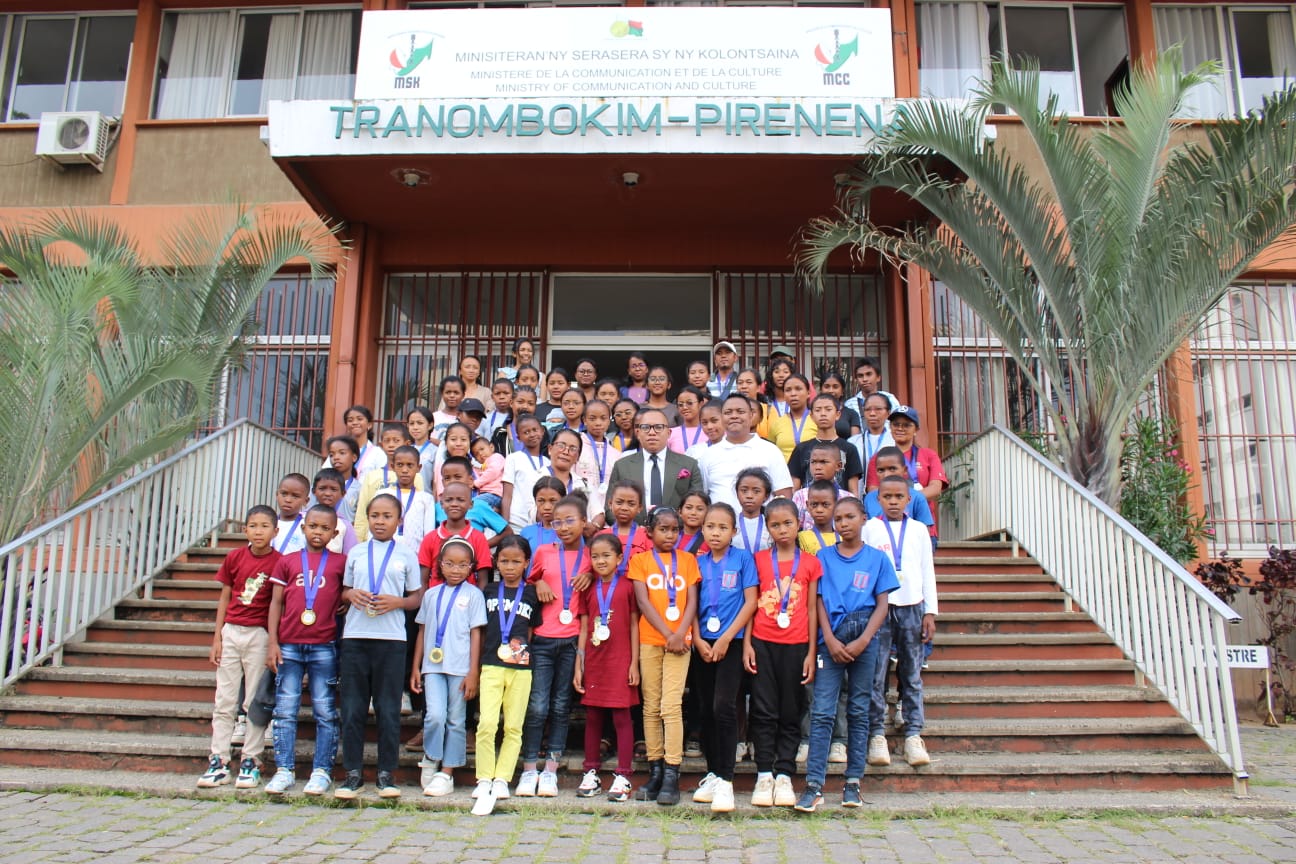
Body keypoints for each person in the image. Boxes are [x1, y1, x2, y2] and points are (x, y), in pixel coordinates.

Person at [797, 497, 899, 813]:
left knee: (858, 709)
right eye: (838, 518)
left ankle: (853, 781)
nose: (843, 523)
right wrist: (828, 638)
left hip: (865, 639)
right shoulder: (822, 558)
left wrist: (864, 640)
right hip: (831, 640)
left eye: (849, 517)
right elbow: (817, 602)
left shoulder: (877, 559)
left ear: (863, 519)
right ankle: (814, 785)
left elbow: (882, 604)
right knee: (824, 710)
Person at [336, 494, 424, 800]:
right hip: (356, 639)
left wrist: (397, 602)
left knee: (388, 710)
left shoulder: (406, 554)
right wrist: (351, 596)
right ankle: (353, 774)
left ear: (399, 521)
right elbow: (345, 590)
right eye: (375, 515)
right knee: (352, 709)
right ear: (367, 518)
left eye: (387, 516)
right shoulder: (357, 552)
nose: (380, 521)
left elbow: (416, 597)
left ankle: (387, 774)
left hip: (392, 641)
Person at [264, 504, 346, 796]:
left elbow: (346, 594)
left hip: (324, 646)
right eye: (313, 526)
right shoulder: (286, 562)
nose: (318, 532)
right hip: (288, 645)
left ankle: (322, 771)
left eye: (325, 528)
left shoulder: (340, 562)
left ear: (334, 533)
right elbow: (275, 603)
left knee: (325, 711)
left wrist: (346, 599)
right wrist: (272, 642)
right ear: (303, 527)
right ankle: (284, 770)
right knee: (285, 709)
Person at [744, 498, 821, 808]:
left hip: (797, 645)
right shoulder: (758, 560)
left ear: (798, 522)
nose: (782, 529)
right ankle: (764, 773)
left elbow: (813, 609)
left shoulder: (811, 562)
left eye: (787, 523)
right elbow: (749, 605)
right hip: (762, 642)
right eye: (775, 525)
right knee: (763, 710)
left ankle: (785, 773)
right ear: (768, 528)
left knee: (791, 710)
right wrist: (747, 644)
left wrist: (811, 652)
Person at [197, 505, 279, 790]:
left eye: (264, 526)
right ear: (245, 530)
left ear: (275, 531)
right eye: (253, 526)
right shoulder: (234, 557)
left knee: (254, 701)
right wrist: (217, 637)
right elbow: (225, 596)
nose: (258, 531)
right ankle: (218, 761)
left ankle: (251, 760)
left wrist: (272, 642)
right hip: (232, 630)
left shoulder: (279, 563)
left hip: (259, 634)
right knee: (225, 701)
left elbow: (277, 606)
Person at [517, 495, 593, 797]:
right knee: (537, 705)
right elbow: (528, 581)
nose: (562, 527)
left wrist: (590, 573)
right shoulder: (544, 552)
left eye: (570, 520)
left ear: (584, 522)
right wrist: (538, 584)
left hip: (573, 638)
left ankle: (551, 766)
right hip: (543, 639)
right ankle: (529, 767)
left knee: (562, 705)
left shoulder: (591, 556)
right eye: (557, 522)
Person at [628, 506, 700, 806]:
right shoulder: (640, 561)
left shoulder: (688, 560)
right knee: (650, 706)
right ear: (649, 532)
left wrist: (679, 633)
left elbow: (692, 601)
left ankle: (672, 771)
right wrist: (666, 633)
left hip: (679, 644)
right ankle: (655, 769)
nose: (670, 534)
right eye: (663, 529)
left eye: (675, 529)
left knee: (671, 706)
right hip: (650, 640)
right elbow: (643, 602)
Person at [864, 475, 937, 769]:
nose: (893, 502)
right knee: (876, 673)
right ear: (878, 500)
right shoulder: (870, 528)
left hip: (912, 606)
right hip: (880, 608)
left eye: (899, 497)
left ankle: (913, 734)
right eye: (887, 497)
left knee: (911, 671)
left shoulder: (919, 530)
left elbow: (926, 571)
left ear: (910, 500)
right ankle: (877, 733)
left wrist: (930, 612)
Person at [689, 503, 758, 813]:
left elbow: (751, 601)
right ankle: (713, 773)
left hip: (731, 640)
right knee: (704, 708)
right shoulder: (697, 562)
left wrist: (727, 638)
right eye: (710, 527)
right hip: (702, 642)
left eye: (722, 527)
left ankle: (727, 781)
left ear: (734, 531)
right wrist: (699, 638)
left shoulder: (743, 559)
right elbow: (690, 604)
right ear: (702, 530)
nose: (715, 533)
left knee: (724, 706)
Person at [472, 535, 543, 816]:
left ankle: (502, 778)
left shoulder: (532, 593)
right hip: (490, 664)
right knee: (487, 723)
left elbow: (530, 631)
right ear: (495, 562)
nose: (510, 566)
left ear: (527, 563)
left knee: (514, 726)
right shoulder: (487, 591)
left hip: (521, 668)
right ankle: (484, 777)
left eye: (516, 562)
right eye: (504, 561)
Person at [412, 537, 487, 798]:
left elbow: (476, 634)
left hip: (459, 668)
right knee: (434, 715)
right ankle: (431, 756)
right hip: (432, 666)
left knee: (456, 720)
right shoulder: (431, 595)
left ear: (471, 567)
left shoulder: (474, 595)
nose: (456, 569)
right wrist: (415, 667)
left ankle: (448, 772)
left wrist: (472, 671)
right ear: (439, 565)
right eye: (450, 564)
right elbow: (422, 631)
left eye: (462, 565)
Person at [574, 533, 641, 803]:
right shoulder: (588, 588)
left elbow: (635, 625)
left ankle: (623, 775)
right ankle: (591, 771)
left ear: (619, 558)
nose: (600, 560)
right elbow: (583, 626)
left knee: (622, 717)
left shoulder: (627, 587)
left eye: (606, 555)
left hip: (620, 660)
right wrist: (579, 664)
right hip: (594, 659)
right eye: (595, 556)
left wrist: (634, 663)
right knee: (593, 717)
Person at [864, 406, 949, 543]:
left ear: (916, 429)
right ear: (890, 428)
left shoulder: (928, 455)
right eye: (896, 424)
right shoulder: (879, 457)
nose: (900, 428)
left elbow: (936, 488)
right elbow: (873, 489)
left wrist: (908, 499)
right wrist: (898, 500)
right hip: (886, 526)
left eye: (907, 425)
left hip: (922, 523)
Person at [698, 394, 793, 510]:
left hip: (762, 526)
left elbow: (784, 495)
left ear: (751, 415)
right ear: (722, 417)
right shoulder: (708, 455)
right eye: (728, 412)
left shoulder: (770, 450)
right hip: (720, 525)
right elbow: (702, 496)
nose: (734, 416)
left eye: (740, 411)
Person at [604, 408, 704, 518]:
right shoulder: (622, 466)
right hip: (633, 532)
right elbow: (610, 508)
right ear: (638, 433)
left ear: (669, 433)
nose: (652, 432)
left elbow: (697, 506)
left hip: (675, 532)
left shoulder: (689, 465)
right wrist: (629, 530)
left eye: (658, 427)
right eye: (646, 428)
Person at [354, 424, 424, 541]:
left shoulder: (416, 476)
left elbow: (418, 509)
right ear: (381, 445)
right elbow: (362, 512)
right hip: (374, 537)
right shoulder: (372, 476)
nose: (391, 445)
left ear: (407, 444)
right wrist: (359, 540)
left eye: (396, 441)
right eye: (387, 441)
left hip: (407, 538)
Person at [418, 481, 494, 587]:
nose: (454, 504)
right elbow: (423, 580)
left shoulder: (478, 538)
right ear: (441, 504)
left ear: (470, 504)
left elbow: (483, 579)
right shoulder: (430, 538)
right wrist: (424, 603)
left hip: (468, 600)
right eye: (449, 500)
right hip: (436, 601)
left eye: (461, 500)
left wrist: (477, 601)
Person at [787, 396, 864, 495]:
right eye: (818, 410)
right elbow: (795, 488)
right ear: (811, 416)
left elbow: (853, 490)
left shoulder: (849, 449)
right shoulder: (801, 449)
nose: (823, 414)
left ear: (837, 414)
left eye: (828, 409)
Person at [863, 447, 936, 530]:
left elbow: (924, 534)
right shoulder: (869, 498)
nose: (886, 474)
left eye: (892, 469)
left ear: (905, 470)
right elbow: (866, 531)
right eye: (881, 470)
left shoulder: (918, 498)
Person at [500, 415, 551, 531]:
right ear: (518, 437)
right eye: (526, 432)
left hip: (538, 523)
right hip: (515, 521)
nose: (532, 434)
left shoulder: (548, 462)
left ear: (542, 431)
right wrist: (504, 524)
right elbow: (507, 495)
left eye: (535, 430)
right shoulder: (513, 458)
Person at [790, 442, 855, 528]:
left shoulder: (847, 498)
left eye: (823, 462)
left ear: (838, 466)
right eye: (813, 462)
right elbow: (795, 527)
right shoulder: (800, 496)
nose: (817, 467)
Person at [575, 398, 622, 514]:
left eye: (603, 418)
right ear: (584, 420)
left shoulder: (616, 455)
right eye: (592, 418)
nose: (598, 423)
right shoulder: (576, 448)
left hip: (608, 516)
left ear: (609, 420)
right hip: (581, 512)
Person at [390, 445, 437, 553]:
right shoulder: (383, 495)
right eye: (400, 465)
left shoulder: (426, 498)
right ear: (393, 467)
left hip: (416, 556)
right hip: (387, 553)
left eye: (410, 465)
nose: (405, 470)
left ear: (418, 468)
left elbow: (428, 534)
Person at [599, 479, 654, 560]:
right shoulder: (600, 536)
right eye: (619, 502)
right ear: (610, 504)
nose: (624, 508)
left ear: (639, 508)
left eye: (631, 504)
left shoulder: (647, 536)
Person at [327, 405, 388, 475]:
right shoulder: (337, 450)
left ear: (369, 425)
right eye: (350, 420)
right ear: (347, 426)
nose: (355, 423)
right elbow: (326, 474)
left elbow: (383, 478)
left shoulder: (377, 453)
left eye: (359, 419)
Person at [767, 373, 816, 460]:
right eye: (788, 390)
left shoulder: (818, 420)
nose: (793, 394)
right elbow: (770, 453)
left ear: (808, 393)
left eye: (798, 389)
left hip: (812, 472)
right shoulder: (777, 423)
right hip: (784, 472)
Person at [491, 386, 547, 459]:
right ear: (511, 403)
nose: (525, 406)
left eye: (530, 404)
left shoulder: (542, 431)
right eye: (520, 402)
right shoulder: (500, 433)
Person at [311, 469, 358, 554]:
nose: (328, 493)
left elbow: (349, 556)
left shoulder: (345, 526)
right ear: (314, 491)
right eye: (322, 488)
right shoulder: (302, 518)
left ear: (343, 493)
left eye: (333, 489)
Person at [850, 392, 896, 469]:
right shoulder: (853, 442)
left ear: (888, 413)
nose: (872, 413)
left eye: (878, 409)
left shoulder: (895, 440)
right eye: (867, 409)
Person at [733, 467, 773, 553]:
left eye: (756, 491)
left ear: (766, 496)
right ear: (737, 493)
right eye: (744, 490)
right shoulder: (731, 523)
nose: (749, 496)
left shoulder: (771, 524)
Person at [798, 480, 842, 555]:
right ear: (807, 505)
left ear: (836, 505)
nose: (819, 510)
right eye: (814, 504)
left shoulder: (843, 537)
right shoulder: (801, 538)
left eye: (825, 504)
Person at [272, 473, 310, 555]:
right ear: (277, 495)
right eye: (284, 494)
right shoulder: (267, 522)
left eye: (295, 496)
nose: (288, 500)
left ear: (305, 501)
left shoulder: (308, 526)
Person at [325, 435, 361, 520]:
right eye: (331, 455)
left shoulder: (360, 489)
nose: (336, 458)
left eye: (342, 453)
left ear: (354, 457)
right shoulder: (322, 485)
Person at [818, 372, 862, 438]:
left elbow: (855, 441)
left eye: (835, 387)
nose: (831, 390)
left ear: (842, 391)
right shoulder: (814, 412)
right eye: (827, 386)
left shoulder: (851, 414)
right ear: (821, 390)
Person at [470, 436, 506, 511]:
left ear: (491, 447)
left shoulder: (496, 457)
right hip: (488, 495)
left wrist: (476, 483)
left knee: (471, 504)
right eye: (476, 454)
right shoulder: (484, 465)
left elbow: (493, 471)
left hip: (494, 494)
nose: (480, 453)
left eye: (482, 449)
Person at [668, 385, 707, 454]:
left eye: (689, 403)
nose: (684, 407)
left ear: (700, 404)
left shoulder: (710, 431)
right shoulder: (670, 433)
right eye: (680, 404)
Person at [736, 368, 774, 439]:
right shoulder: (731, 410)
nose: (744, 386)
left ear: (758, 387)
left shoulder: (768, 410)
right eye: (740, 383)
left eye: (749, 382)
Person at [431, 376, 466, 444]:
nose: (452, 395)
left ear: (463, 395)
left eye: (456, 393)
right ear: (442, 394)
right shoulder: (433, 417)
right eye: (448, 392)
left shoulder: (466, 418)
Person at [676, 490, 710, 555]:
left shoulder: (710, 540)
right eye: (689, 508)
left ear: (708, 513)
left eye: (700, 509)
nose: (693, 513)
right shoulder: (670, 536)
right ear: (680, 511)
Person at [407, 407, 438, 471]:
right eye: (411, 423)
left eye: (420, 423)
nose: (415, 427)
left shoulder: (435, 451)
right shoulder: (406, 450)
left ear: (430, 425)